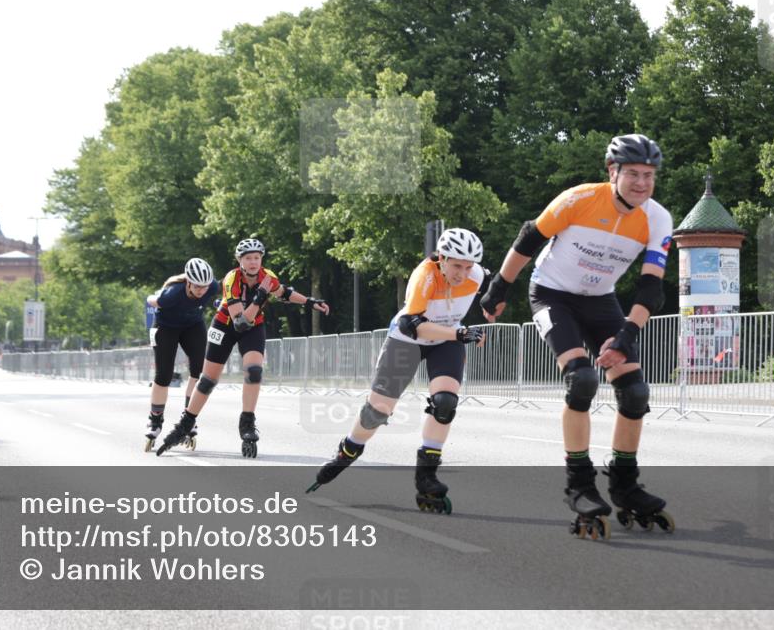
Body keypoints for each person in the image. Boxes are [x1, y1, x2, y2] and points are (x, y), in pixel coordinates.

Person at [480, 134, 675, 539]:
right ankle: (579, 484)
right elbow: (528, 239)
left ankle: (624, 483)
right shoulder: (578, 199)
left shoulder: (658, 219)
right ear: (612, 172)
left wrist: (625, 334)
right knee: (583, 379)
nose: (642, 183)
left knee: (635, 391)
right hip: (552, 294)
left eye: (650, 176)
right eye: (634, 174)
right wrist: (499, 288)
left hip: (600, 300)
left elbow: (650, 288)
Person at [306, 229, 486, 514]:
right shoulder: (424, 276)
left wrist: (488, 307)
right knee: (377, 411)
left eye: (468, 267)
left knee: (445, 403)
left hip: (446, 342)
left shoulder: (477, 275)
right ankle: (349, 449)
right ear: (441, 258)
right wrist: (461, 334)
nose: (462, 274)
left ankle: (426, 475)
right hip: (408, 341)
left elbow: (488, 292)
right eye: (456, 266)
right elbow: (411, 325)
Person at [156, 238, 329, 458]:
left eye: (257, 257)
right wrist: (259, 298)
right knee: (208, 380)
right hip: (227, 325)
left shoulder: (268, 277)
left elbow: (283, 292)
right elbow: (240, 322)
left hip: (253, 327)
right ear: (240, 261)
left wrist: (309, 302)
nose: (253, 262)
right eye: (248, 258)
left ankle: (247, 422)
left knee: (254, 371)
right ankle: (185, 424)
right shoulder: (232, 279)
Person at [142, 258, 219, 452]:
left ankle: (188, 418)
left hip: (192, 325)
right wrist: (154, 296)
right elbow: (153, 300)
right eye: (198, 286)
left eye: (205, 286)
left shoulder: (212, 287)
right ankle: (155, 420)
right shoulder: (172, 294)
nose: (202, 290)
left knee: (199, 372)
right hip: (166, 327)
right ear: (188, 282)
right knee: (163, 376)